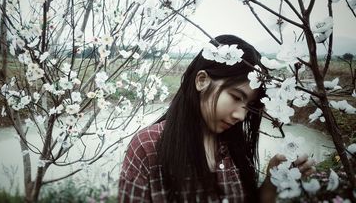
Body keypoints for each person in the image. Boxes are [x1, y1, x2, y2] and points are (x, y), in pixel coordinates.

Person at [118, 34, 315, 202]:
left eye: (249, 106)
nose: (241, 115)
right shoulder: (147, 146)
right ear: (202, 80)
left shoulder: (233, 146)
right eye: (236, 97)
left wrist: (274, 178)